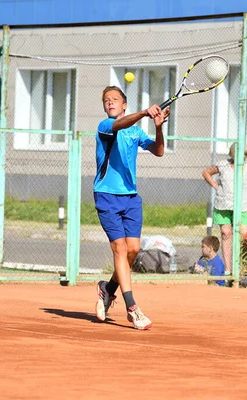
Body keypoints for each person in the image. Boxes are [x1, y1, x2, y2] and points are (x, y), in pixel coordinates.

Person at [93, 86, 170, 330]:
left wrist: (158, 128)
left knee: (132, 251)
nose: (110, 103)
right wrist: (145, 112)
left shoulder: (135, 133)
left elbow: (158, 151)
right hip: (106, 195)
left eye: (115, 99)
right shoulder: (105, 126)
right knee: (120, 249)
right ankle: (132, 308)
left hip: (131, 198)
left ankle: (108, 289)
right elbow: (121, 124)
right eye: (107, 100)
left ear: (124, 104)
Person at [202, 144, 247, 277]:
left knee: (244, 234)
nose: (245, 157)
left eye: (246, 154)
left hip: (241, 206)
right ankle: (228, 270)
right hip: (223, 203)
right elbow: (206, 173)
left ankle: (241, 266)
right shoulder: (223, 164)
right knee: (226, 233)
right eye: (243, 154)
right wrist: (216, 186)